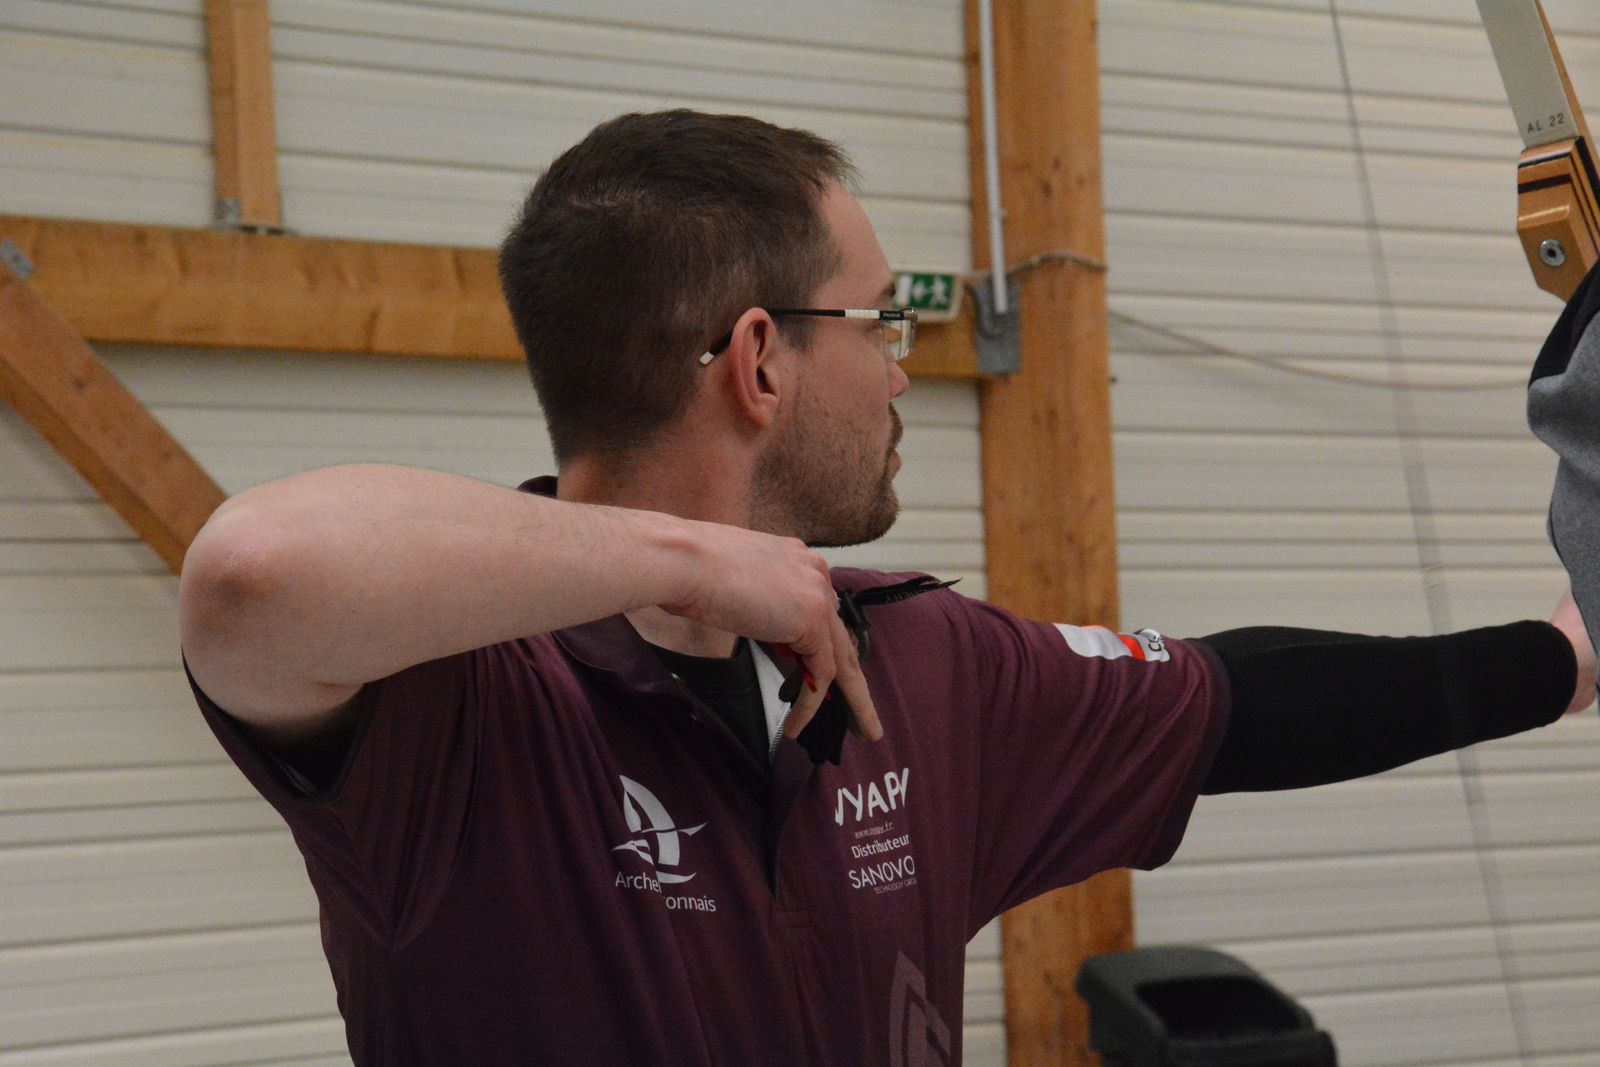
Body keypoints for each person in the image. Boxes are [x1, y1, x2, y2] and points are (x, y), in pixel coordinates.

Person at [178, 110, 1597, 1067]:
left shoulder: (914, 660)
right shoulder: (459, 699)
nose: (906, 368)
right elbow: (252, 571)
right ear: (761, 361)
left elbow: (1242, 704)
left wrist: (1570, 650)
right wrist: (694, 560)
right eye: (885, 319)